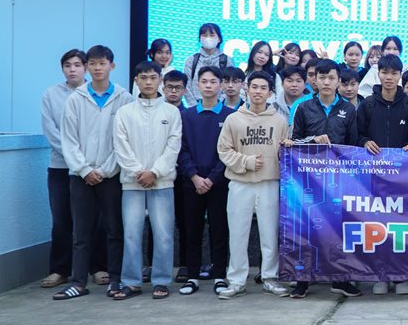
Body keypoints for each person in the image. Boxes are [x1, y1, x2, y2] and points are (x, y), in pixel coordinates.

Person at [54, 45, 133, 300]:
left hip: (112, 176)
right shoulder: (75, 99)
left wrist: (106, 169)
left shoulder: (124, 98)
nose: (98, 68)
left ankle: (115, 279)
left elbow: (124, 140)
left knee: (114, 229)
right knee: (81, 232)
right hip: (80, 177)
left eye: (102, 63)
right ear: (87, 67)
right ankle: (78, 282)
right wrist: (85, 169)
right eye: (93, 64)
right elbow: (68, 140)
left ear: (112, 66)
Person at [288, 59, 361, 299]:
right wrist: (313, 140)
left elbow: (353, 145)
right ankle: (302, 280)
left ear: (338, 81)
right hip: (309, 180)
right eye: (322, 78)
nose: (327, 82)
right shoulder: (303, 108)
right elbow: (294, 142)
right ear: (315, 81)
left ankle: (340, 279)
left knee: (339, 230)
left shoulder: (349, 109)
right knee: (307, 229)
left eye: (331, 78)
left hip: (339, 179)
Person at [216, 70, 291, 299]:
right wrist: (246, 162)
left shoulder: (279, 121)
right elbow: (223, 150)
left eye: (263, 88)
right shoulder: (233, 119)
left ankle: (270, 278)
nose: (258, 92)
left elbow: (285, 153)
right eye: (254, 87)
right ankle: (236, 280)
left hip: (269, 183)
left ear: (270, 93)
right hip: (240, 183)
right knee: (238, 234)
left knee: (270, 234)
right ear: (246, 89)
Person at [112, 61, 182, 300]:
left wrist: (155, 172)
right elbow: (120, 146)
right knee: (132, 233)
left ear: (160, 80)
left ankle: (161, 280)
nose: (149, 82)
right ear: (136, 81)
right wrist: (138, 172)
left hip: (162, 181)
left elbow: (173, 146)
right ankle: (131, 282)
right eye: (144, 78)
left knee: (163, 234)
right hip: (132, 183)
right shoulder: (125, 113)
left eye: (153, 77)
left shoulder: (171, 112)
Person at [41, 49, 107, 290]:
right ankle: (60, 270)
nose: (72, 69)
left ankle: (98, 267)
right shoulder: (51, 95)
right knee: (62, 219)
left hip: (92, 168)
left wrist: (86, 165)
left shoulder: (94, 93)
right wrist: (76, 161)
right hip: (61, 167)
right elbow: (52, 133)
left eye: (77, 64)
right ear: (62, 69)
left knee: (95, 220)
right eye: (68, 65)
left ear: (85, 68)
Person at [356, 54, 408, 295]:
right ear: (379, 74)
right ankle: (381, 276)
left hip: (404, 178)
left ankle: (401, 276)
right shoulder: (367, 105)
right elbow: (357, 136)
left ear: (400, 76)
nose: (389, 77)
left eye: (394, 73)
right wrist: (365, 142)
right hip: (374, 178)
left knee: (401, 227)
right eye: (385, 73)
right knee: (378, 227)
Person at [177, 66, 234, 296]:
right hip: (191, 183)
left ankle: (220, 276)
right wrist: (194, 176)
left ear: (221, 85)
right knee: (192, 230)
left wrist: (212, 178)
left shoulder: (229, 116)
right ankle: (192, 277)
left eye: (213, 81)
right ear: (197, 85)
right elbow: (181, 150)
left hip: (219, 183)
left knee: (219, 230)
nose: (208, 85)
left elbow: (229, 151)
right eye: (204, 81)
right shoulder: (186, 115)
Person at [183, 23, 235, 105]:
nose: (208, 38)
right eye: (204, 35)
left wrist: (219, 105)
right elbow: (187, 86)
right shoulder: (191, 60)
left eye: (212, 35)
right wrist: (195, 107)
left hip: (219, 106)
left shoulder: (227, 60)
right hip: (196, 106)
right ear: (200, 39)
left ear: (219, 39)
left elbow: (229, 84)